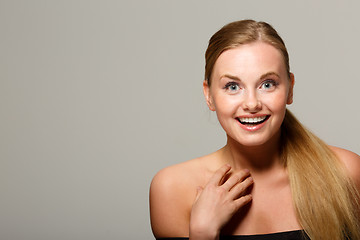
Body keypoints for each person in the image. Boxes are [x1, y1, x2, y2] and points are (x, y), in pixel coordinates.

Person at [149, 20, 360, 240]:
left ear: (290, 88)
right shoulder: (172, 190)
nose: (252, 104)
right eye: (232, 86)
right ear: (209, 95)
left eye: (267, 84)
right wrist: (202, 233)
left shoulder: (345, 172)